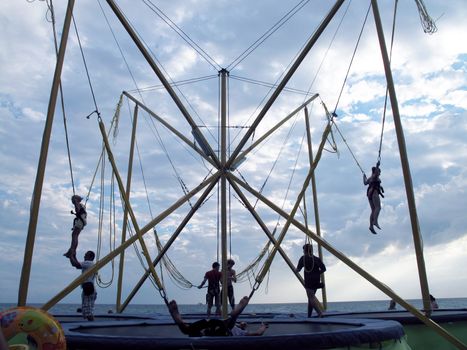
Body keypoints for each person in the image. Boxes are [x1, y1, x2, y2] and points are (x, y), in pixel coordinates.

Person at [168, 296, 268, 337]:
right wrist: (263, 326)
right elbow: (258, 333)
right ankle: (235, 315)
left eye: (244, 324)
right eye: (243, 323)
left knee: (186, 330)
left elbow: (257, 333)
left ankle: (179, 320)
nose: (244, 323)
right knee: (228, 324)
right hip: (217, 327)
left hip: (212, 330)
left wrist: (263, 326)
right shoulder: (239, 329)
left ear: (243, 327)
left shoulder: (242, 332)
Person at [295, 243, 326, 318]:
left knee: (311, 297)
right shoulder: (316, 259)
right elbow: (324, 269)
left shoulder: (303, 258)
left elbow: (298, 270)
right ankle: (309, 316)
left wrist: (295, 270)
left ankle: (320, 313)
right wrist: (317, 273)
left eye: (303, 250)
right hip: (316, 280)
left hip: (309, 281)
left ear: (305, 250)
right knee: (311, 298)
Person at [69, 250, 97, 321]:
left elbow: (75, 264)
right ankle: (91, 323)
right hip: (90, 288)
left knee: (88, 311)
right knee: (88, 310)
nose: (84, 256)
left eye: (86, 255)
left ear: (90, 257)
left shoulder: (89, 263)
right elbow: (77, 265)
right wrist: (73, 256)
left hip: (88, 288)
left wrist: (71, 256)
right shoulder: (91, 264)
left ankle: (92, 324)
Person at [64, 195, 87, 259]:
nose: (72, 201)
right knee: (75, 235)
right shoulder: (82, 205)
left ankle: (72, 250)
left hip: (80, 221)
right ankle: (72, 250)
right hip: (81, 221)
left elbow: (78, 210)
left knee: (74, 235)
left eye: (72, 200)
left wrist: (76, 205)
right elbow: (80, 212)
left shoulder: (77, 204)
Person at [363, 165, 384, 234]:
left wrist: (364, 177)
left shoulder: (370, 178)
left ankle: (371, 226)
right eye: (379, 172)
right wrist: (377, 166)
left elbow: (365, 183)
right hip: (374, 193)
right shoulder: (375, 176)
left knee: (373, 210)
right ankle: (375, 221)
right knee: (378, 207)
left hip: (369, 193)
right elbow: (376, 173)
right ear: (376, 171)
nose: (380, 174)